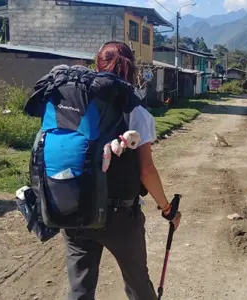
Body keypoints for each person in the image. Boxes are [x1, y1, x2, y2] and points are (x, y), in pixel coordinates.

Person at [61, 41, 182, 300]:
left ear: (97, 65)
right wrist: (167, 208)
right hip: (119, 216)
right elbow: (146, 171)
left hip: (73, 209)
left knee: (79, 290)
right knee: (138, 285)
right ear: (131, 71)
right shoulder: (136, 112)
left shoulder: (72, 103)